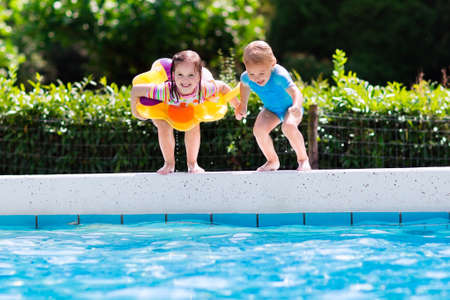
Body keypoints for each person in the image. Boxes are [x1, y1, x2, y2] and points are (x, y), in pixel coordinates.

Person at [131, 50, 238, 175]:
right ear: (173, 75)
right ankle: (169, 164)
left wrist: (237, 106)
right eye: (180, 75)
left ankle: (193, 164)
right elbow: (136, 90)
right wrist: (135, 111)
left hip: (193, 105)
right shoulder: (165, 91)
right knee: (164, 125)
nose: (185, 80)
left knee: (193, 125)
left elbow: (224, 88)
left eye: (190, 75)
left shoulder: (203, 89)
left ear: (199, 76)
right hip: (167, 103)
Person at [235, 40, 311, 171]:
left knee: (288, 127)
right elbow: (244, 85)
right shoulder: (246, 77)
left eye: (261, 73)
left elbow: (295, 92)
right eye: (252, 73)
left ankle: (303, 160)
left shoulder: (279, 75)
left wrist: (297, 106)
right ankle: (272, 161)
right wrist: (243, 105)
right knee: (258, 131)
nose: (256, 78)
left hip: (291, 108)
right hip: (271, 110)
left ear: (272, 64)